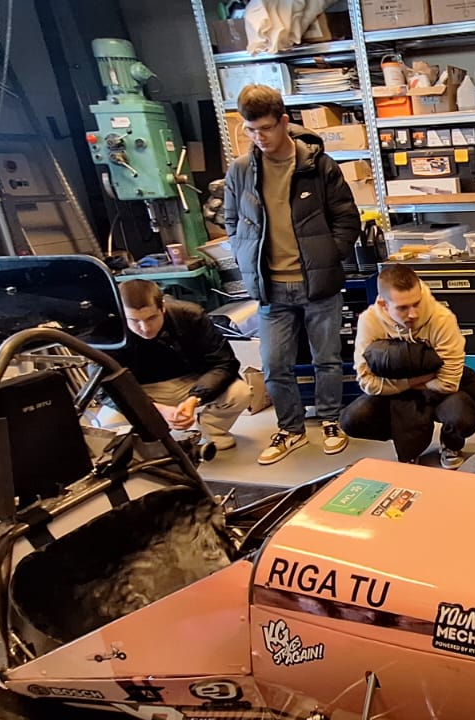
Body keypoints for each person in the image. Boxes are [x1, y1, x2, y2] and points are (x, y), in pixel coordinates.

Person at [223, 83, 360, 465]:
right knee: (274, 364)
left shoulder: (319, 166)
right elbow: (232, 221)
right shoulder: (240, 170)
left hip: (318, 284)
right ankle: (291, 430)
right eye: (251, 130)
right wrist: (244, 255)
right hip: (271, 287)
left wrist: (328, 256)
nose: (259, 137)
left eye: (266, 128)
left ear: (284, 121)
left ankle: (330, 421)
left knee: (326, 359)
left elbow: (347, 219)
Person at [339, 264, 475, 469]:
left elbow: (448, 383)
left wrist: (402, 382)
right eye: (403, 308)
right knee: (352, 419)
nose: (413, 314)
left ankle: (450, 444)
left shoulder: (442, 319)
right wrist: (417, 380)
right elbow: (367, 382)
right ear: (384, 305)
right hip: (413, 385)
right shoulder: (370, 321)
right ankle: (404, 438)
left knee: (462, 416)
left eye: (417, 304)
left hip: (435, 390)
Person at [104, 279, 250, 451]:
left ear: (163, 307)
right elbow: (103, 389)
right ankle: (151, 443)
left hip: (190, 382)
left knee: (240, 393)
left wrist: (194, 399)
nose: (145, 328)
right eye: (134, 320)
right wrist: (153, 408)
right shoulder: (107, 329)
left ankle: (210, 431)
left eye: (152, 318)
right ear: (121, 314)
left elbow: (224, 362)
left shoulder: (190, 316)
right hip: (140, 390)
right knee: (108, 424)